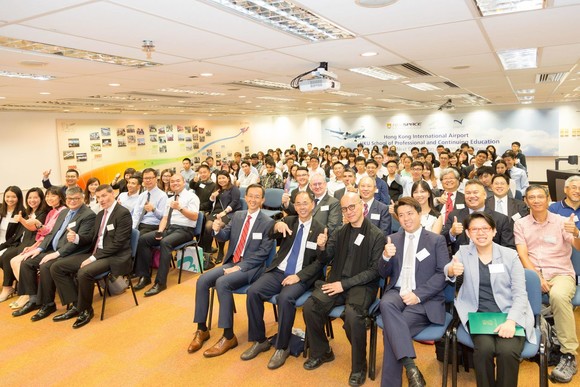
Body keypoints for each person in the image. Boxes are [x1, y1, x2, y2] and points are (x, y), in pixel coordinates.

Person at [302, 192, 384, 387]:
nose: (349, 212)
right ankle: (322, 352)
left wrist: (344, 285)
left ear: (362, 206)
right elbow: (325, 258)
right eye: (345, 209)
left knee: (353, 318)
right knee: (310, 307)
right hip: (336, 282)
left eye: (352, 207)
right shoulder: (340, 232)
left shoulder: (377, 235)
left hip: (361, 286)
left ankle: (359, 366)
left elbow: (374, 271)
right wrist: (321, 248)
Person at [445, 211, 534, 387]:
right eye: (475, 229)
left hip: (509, 313)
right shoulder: (463, 252)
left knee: (507, 352)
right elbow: (449, 267)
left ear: (494, 231)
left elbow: (520, 294)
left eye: (485, 228)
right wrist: (450, 270)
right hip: (478, 314)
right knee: (484, 350)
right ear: (468, 233)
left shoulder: (510, 256)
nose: (480, 233)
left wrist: (511, 321)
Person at [188, 184, 275, 357]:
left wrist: (239, 267)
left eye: (257, 196)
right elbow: (224, 235)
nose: (253, 199)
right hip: (232, 263)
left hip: (252, 267)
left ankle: (228, 336)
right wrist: (217, 229)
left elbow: (263, 254)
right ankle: (202, 329)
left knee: (222, 283)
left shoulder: (268, 222)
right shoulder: (238, 216)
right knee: (202, 280)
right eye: (250, 196)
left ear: (263, 200)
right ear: (246, 197)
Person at [242, 191, 326, 369]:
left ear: (313, 205)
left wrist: (300, 275)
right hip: (279, 271)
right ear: (294, 206)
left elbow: (321, 262)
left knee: (284, 299)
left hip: (302, 276)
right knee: (253, 292)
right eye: (298, 204)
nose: (302, 207)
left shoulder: (321, 229)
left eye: (305, 203)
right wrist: (276, 226)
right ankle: (260, 340)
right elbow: (270, 234)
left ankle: (282, 346)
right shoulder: (289, 222)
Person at [380, 197, 448, 387]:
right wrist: (385, 256)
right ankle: (411, 367)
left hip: (425, 298)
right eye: (401, 215)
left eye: (410, 213)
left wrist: (418, 295)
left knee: (391, 332)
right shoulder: (392, 239)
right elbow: (383, 273)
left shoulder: (436, 240)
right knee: (385, 302)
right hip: (397, 291)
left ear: (420, 214)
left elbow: (441, 275)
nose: (406, 218)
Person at [514, 185, 580, 383]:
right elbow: (523, 254)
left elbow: (577, 246)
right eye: (531, 197)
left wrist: (576, 233)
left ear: (547, 199)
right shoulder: (521, 224)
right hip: (533, 273)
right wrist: (537, 278)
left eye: (540, 197)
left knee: (558, 296)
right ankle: (517, 345)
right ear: (526, 201)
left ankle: (569, 354)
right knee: (512, 294)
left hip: (561, 273)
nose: (536, 200)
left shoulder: (562, 221)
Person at [50, 184, 133, 328]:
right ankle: (76, 305)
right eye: (98, 197)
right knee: (56, 266)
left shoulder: (122, 213)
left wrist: (93, 258)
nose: (101, 200)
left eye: (104, 196)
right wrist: (77, 238)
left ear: (112, 194)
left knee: (84, 272)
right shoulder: (100, 214)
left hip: (113, 256)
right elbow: (92, 238)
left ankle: (86, 310)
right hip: (96, 253)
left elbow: (118, 244)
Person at [14, 187, 96, 320]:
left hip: (71, 252)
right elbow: (51, 234)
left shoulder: (88, 215)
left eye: (76, 198)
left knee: (46, 266)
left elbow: (79, 241)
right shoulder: (64, 212)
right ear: (66, 199)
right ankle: (34, 300)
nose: (72, 201)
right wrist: (39, 249)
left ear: (82, 198)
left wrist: (56, 254)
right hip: (52, 249)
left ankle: (50, 304)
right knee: (26, 262)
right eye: (69, 198)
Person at [133, 174, 199, 296]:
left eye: (178, 181)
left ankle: (160, 283)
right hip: (169, 229)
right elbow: (164, 218)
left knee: (165, 242)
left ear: (184, 182)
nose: (175, 183)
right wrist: (160, 231)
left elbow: (195, 216)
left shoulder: (192, 197)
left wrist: (180, 208)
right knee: (143, 239)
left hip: (185, 230)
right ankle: (144, 276)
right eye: (172, 181)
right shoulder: (170, 199)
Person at [8, 187, 66, 309]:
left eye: (53, 196)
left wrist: (36, 224)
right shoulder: (51, 212)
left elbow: (49, 232)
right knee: (13, 260)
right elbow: (43, 235)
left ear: (60, 197)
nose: (49, 198)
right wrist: (33, 246)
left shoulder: (62, 211)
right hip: (42, 244)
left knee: (19, 262)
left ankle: (30, 295)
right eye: (47, 196)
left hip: (52, 247)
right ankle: (30, 294)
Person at [442, 180, 515, 254]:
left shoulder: (500, 219)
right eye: (468, 193)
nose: (472, 196)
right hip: (461, 262)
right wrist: (452, 233)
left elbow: (508, 247)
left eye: (475, 192)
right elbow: (442, 241)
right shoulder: (455, 216)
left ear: (484, 195)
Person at [0, 188, 47, 302]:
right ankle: (22, 290)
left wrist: (21, 219)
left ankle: (13, 289)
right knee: (6, 257)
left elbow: (32, 228)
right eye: (30, 198)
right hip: (23, 242)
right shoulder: (28, 212)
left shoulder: (31, 213)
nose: (32, 200)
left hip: (29, 244)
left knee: (7, 257)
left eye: (35, 197)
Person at [201, 170, 241, 264]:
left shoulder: (234, 189)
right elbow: (211, 203)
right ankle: (207, 251)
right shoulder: (217, 189)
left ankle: (221, 251)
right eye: (219, 178)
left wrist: (225, 212)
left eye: (223, 178)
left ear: (228, 178)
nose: (221, 180)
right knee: (208, 226)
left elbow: (235, 202)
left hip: (230, 212)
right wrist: (212, 197)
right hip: (216, 212)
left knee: (219, 225)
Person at [0, 186, 27, 301]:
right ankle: (12, 280)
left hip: (11, 243)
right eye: (7, 196)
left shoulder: (22, 213)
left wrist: (2, 246)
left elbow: (16, 236)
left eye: (13, 197)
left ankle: (7, 287)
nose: (10, 199)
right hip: (1, 241)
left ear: (19, 198)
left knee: (5, 257)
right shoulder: (1, 209)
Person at [132, 168, 169, 235]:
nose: (148, 180)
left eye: (150, 178)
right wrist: (132, 228)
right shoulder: (142, 195)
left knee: (136, 239)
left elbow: (163, 217)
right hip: (140, 224)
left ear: (156, 179)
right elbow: (136, 214)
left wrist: (153, 209)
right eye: (145, 178)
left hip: (153, 226)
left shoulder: (163, 196)